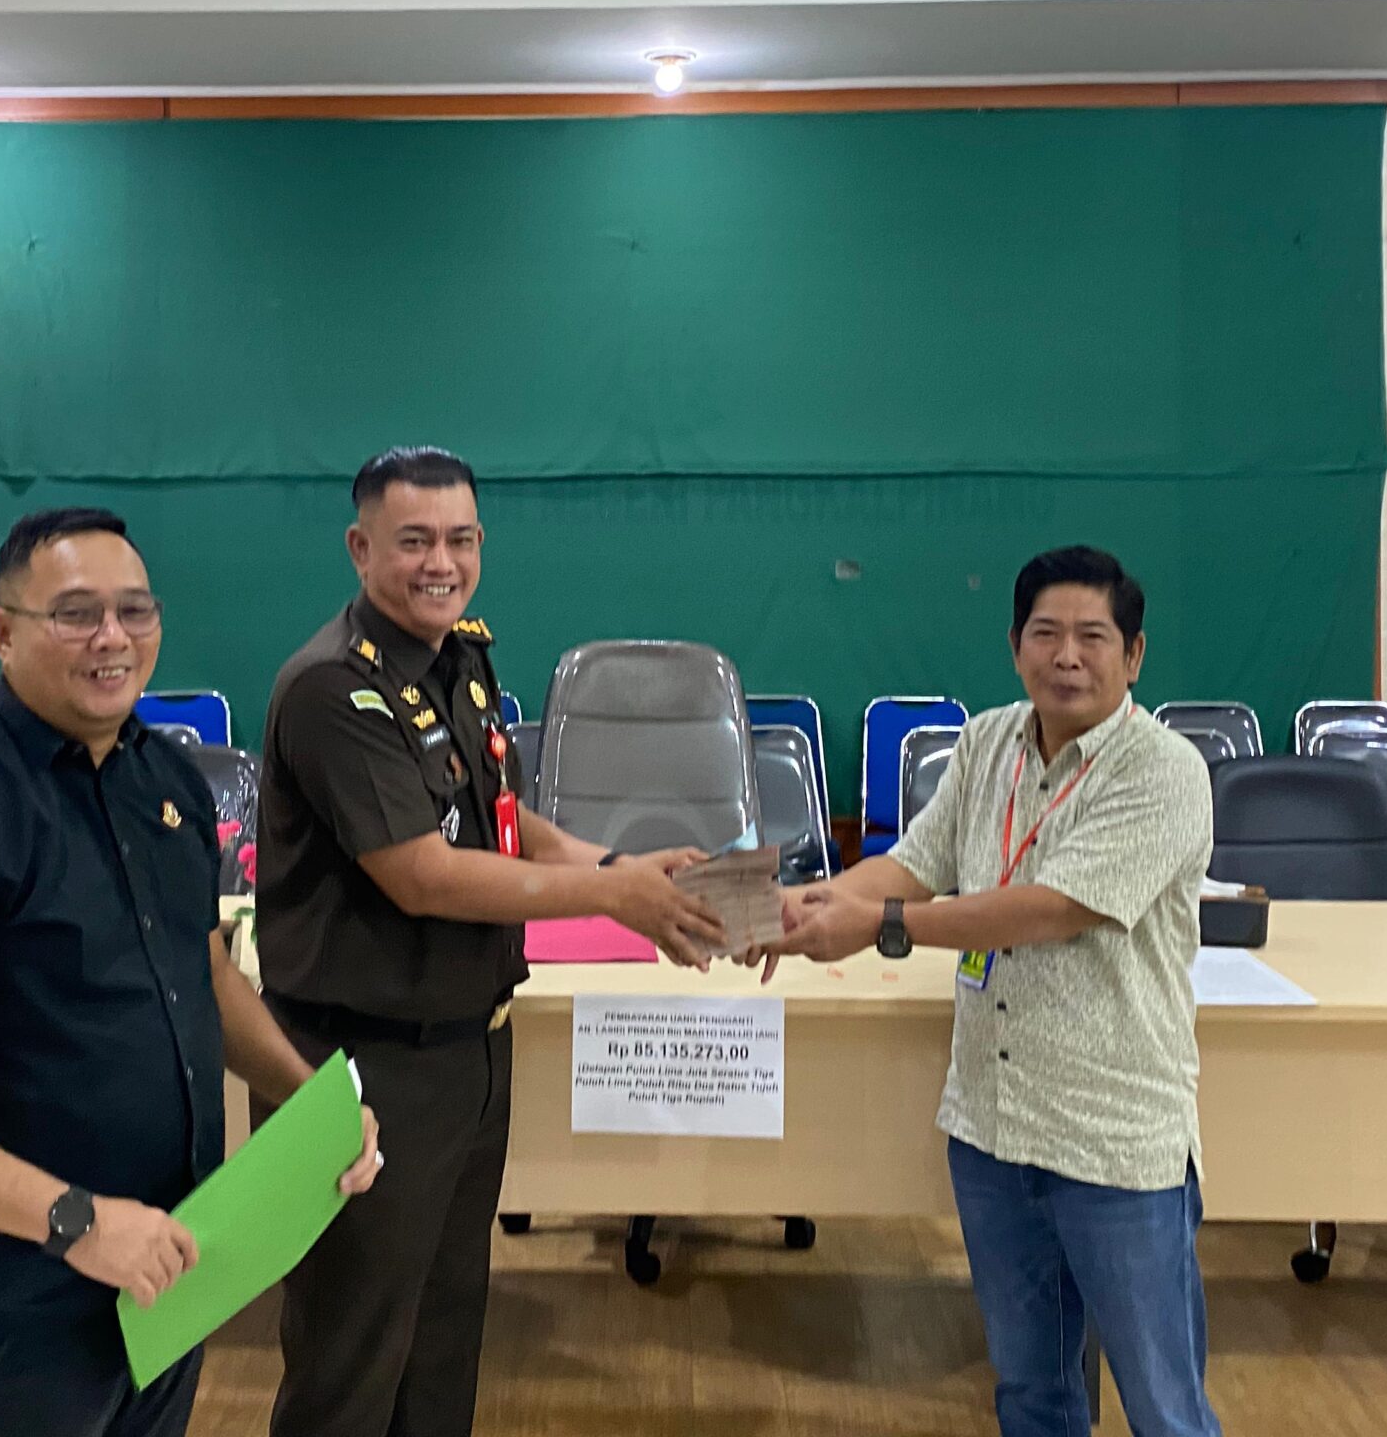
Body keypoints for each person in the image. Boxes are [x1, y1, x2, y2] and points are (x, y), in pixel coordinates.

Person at [0, 506, 381, 1437]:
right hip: (13, 1309)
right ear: (3, 634)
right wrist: (77, 1222)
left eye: (135, 610)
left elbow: (205, 973)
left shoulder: (168, 783)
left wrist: (309, 1101)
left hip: (168, 1276)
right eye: (76, 613)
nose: (113, 637)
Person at [256, 445, 727, 1437]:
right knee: (352, 1351)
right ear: (359, 549)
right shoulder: (335, 689)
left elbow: (499, 820)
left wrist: (619, 866)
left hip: (468, 1051)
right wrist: (617, 899)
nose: (442, 563)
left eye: (461, 539)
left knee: (442, 1335)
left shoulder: (459, 660)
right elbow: (422, 874)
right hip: (357, 1066)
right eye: (414, 541)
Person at [769, 545, 1218, 1437]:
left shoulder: (1163, 770)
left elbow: (1051, 910)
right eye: (1045, 634)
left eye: (1093, 637)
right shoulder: (986, 742)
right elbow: (913, 864)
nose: (1067, 657)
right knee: (1032, 1392)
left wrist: (880, 925)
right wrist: (807, 905)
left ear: (1134, 655)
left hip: (1113, 1138)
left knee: (1164, 1408)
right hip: (993, 1127)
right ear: (1014, 646)